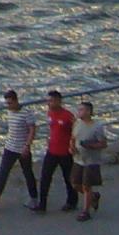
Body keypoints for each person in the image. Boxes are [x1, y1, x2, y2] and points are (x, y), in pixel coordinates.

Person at [0, 88, 38, 210]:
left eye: (10, 103)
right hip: (10, 147)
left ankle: (34, 198)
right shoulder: (10, 112)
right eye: (7, 103)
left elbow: (32, 130)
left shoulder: (26, 113)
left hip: (22, 148)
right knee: (3, 173)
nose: (8, 106)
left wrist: (27, 145)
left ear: (16, 101)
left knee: (28, 173)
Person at [35, 87, 78, 215]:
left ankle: (72, 201)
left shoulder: (67, 116)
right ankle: (42, 204)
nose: (49, 103)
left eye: (52, 101)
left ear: (59, 101)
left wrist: (73, 146)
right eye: (48, 101)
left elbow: (76, 131)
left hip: (65, 152)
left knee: (68, 178)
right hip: (52, 150)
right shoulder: (50, 113)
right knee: (45, 177)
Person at [73, 102, 109, 220]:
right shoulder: (77, 123)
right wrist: (71, 148)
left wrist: (91, 146)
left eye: (81, 110)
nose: (79, 112)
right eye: (79, 110)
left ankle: (86, 211)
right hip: (78, 159)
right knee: (76, 184)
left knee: (86, 186)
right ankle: (93, 197)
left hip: (91, 161)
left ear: (88, 112)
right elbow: (73, 138)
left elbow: (103, 144)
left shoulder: (97, 127)